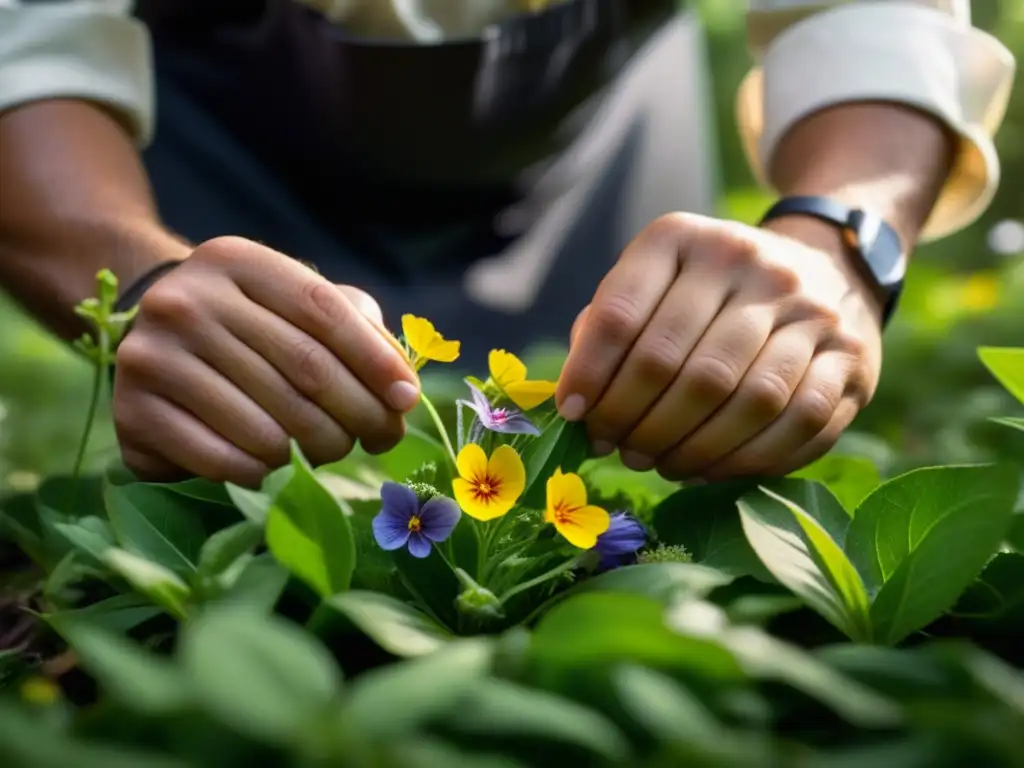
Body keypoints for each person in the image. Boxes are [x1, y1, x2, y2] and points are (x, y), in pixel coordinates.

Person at [0, 1, 1015, 488]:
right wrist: (139, 281)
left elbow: (869, 15)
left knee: (616, 476)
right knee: (246, 491)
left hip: (592, 138)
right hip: (203, 150)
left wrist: (838, 242)